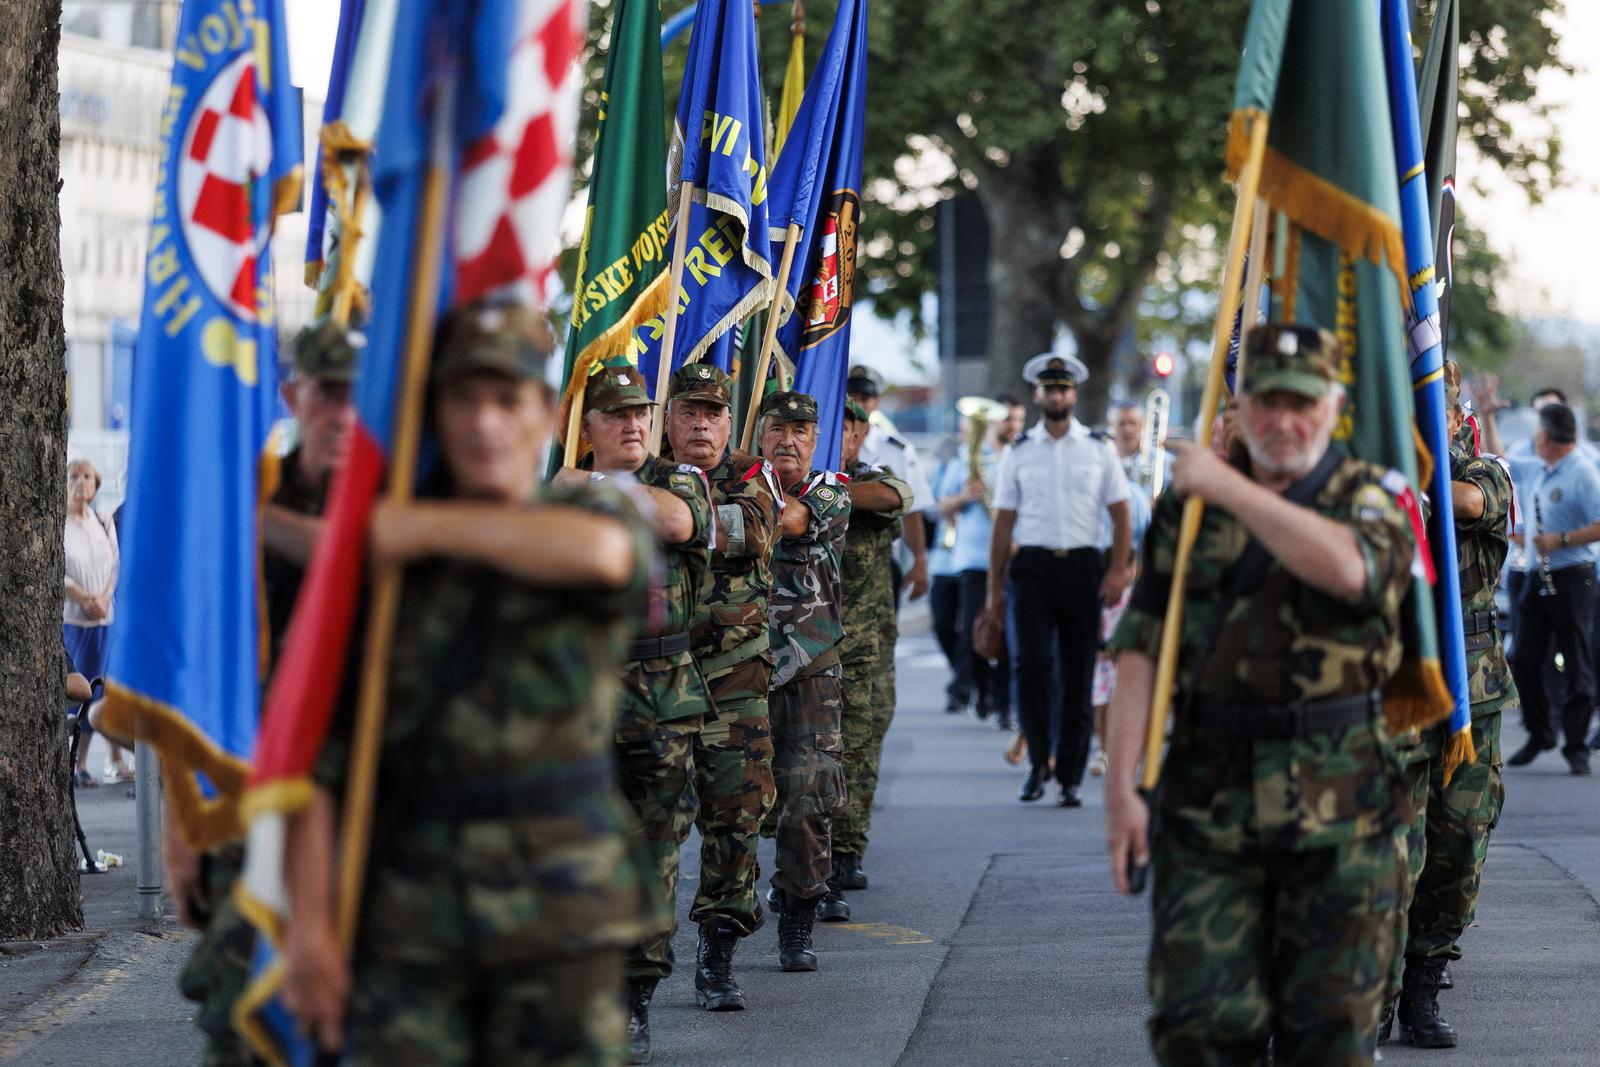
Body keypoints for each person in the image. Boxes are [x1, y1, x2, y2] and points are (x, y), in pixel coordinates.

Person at [281, 303, 663, 1065]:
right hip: (410, 915)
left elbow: (607, 556)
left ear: (547, 413)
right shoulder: (383, 567)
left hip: (561, 908)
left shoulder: (584, 510)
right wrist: (310, 929)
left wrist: (416, 531)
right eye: (463, 399)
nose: (485, 424)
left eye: (507, 400)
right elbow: (321, 753)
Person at [1104, 324, 1417, 1066]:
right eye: (1266, 401)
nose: (1283, 420)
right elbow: (1142, 648)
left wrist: (1230, 488)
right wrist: (1121, 788)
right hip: (1209, 803)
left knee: (1330, 1038)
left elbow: (1349, 570)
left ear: (1334, 403)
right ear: (1239, 404)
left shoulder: (1371, 494)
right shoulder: (1189, 509)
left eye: (1300, 402)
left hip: (1341, 816)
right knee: (1201, 1030)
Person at [168, 321, 359, 1067]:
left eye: (357, 396)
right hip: (252, 797)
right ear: (293, 396)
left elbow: (352, 552)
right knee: (240, 1017)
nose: (342, 414)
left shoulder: (395, 498)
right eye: (327, 395)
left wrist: (246, 522)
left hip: (370, 800)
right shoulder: (248, 491)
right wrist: (181, 829)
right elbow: (191, 672)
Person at [556, 357, 714, 1064]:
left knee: (654, 848)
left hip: (661, 689)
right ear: (584, 427)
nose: (633, 424)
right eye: (616, 414)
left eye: (640, 414)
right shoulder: (550, 487)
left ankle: (636, 995)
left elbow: (679, 524)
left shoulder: (674, 479)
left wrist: (592, 485)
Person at [1382, 361, 1517, 1049]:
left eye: (1440, 397)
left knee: (1456, 850)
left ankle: (1424, 985)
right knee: (1391, 850)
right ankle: (1373, 992)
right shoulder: (1377, 476)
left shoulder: (1485, 473)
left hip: (1472, 697)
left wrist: (1416, 463)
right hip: (1397, 691)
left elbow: (1467, 504)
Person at [662, 362, 782, 1013]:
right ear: (669, 416)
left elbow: (746, 530)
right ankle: (637, 977)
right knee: (647, 832)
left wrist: (663, 507)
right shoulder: (639, 474)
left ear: (730, 421)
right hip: (653, 686)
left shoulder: (750, 475)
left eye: (713, 412)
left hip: (734, 684)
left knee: (734, 824)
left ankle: (717, 950)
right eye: (689, 410)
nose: (701, 423)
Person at [982, 354, 1132, 806]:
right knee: (1031, 668)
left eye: (1063, 388)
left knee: (1078, 670)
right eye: (1049, 388)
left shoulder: (1099, 447)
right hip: (1032, 569)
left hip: (1083, 566)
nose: (1056, 395)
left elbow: (1121, 513)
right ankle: (1037, 764)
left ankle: (1069, 774)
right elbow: (1003, 524)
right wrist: (994, 594)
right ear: (1037, 395)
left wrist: (1119, 570)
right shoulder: (1020, 450)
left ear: (1074, 394)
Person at [758, 391, 850, 972]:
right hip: (738, 669)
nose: (789, 441)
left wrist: (727, 504)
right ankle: (720, 928)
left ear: (815, 441)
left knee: (806, 803)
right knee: (734, 807)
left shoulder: (830, 491)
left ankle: (798, 917)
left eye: (801, 431)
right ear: (760, 433)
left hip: (810, 669)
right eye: (777, 429)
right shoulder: (735, 483)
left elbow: (788, 523)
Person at [829, 398, 913, 917]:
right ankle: (804, 861)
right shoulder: (778, 482)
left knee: (858, 754)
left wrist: (824, 491)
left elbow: (893, 497)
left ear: (858, 433)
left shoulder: (871, 478)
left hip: (864, 651)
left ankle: (845, 854)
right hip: (797, 649)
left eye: (839, 428)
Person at [1503, 402, 1600, 774]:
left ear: (1544, 437)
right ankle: (1540, 730)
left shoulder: (1582, 472)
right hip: (1536, 575)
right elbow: (1503, 461)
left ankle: (1575, 745)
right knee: (1525, 658)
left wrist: (1558, 540)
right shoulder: (1543, 467)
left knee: (1576, 659)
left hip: (1573, 574)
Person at [935, 395, 1024, 729]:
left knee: (1010, 632)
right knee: (977, 629)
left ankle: (1003, 702)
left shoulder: (1020, 458)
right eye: (1006, 419)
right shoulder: (966, 460)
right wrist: (963, 497)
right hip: (973, 559)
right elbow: (941, 506)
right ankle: (982, 688)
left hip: (1012, 556)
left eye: (1017, 419)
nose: (1012, 426)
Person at [848, 364, 932, 605]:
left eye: (865, 398)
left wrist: (919, 560)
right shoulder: (825, 442)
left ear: (875, 402)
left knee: (882, 639)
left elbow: (913, 510)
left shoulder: (897, 449)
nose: (858, 403)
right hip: (834, 558)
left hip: (882, 560)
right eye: (852, 396)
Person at [63, 457, 123, 787]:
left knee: (101, 691)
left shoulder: (102, 520)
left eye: (87, 477)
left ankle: (82, 762)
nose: (81, 483)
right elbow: (59, 572)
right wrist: (84, 598)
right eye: (74, 477)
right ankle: (71, 762)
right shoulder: (59, 523)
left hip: (105, 619)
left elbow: (114, 563)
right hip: (75, 622)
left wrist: (101, 597)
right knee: (78, 692)